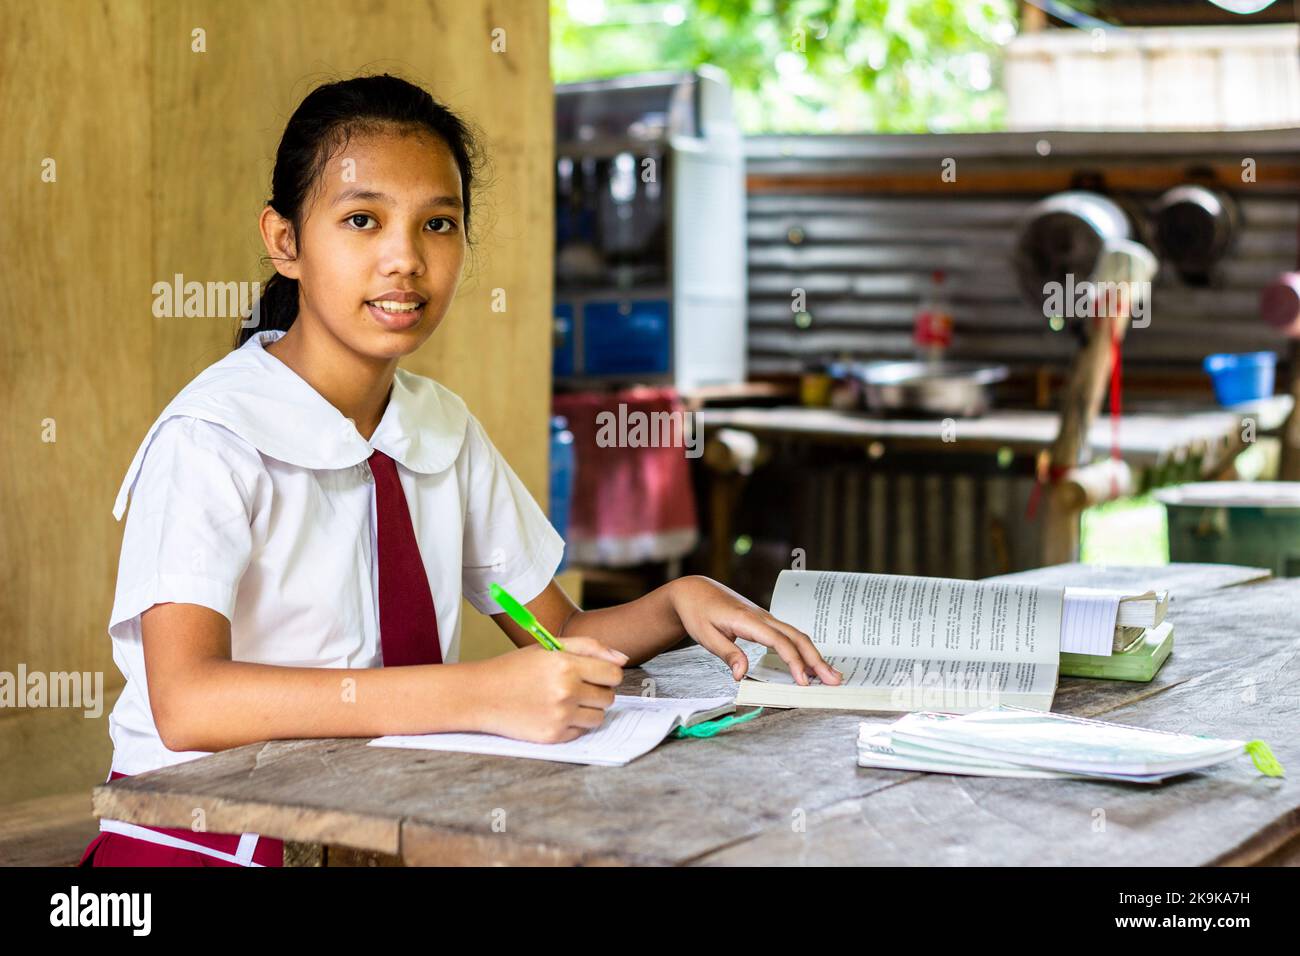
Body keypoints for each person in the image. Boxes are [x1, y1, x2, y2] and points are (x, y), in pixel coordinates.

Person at [79, 73, 840, 867]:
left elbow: (560, 632)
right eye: (362, 220)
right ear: (286, 242)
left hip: (381, 822)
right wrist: (479, 695)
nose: (404, 259)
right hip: (207, 835)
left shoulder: (440, 426)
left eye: (438, 224)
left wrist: (679, 602)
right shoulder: (213, 436)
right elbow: (187, 701)